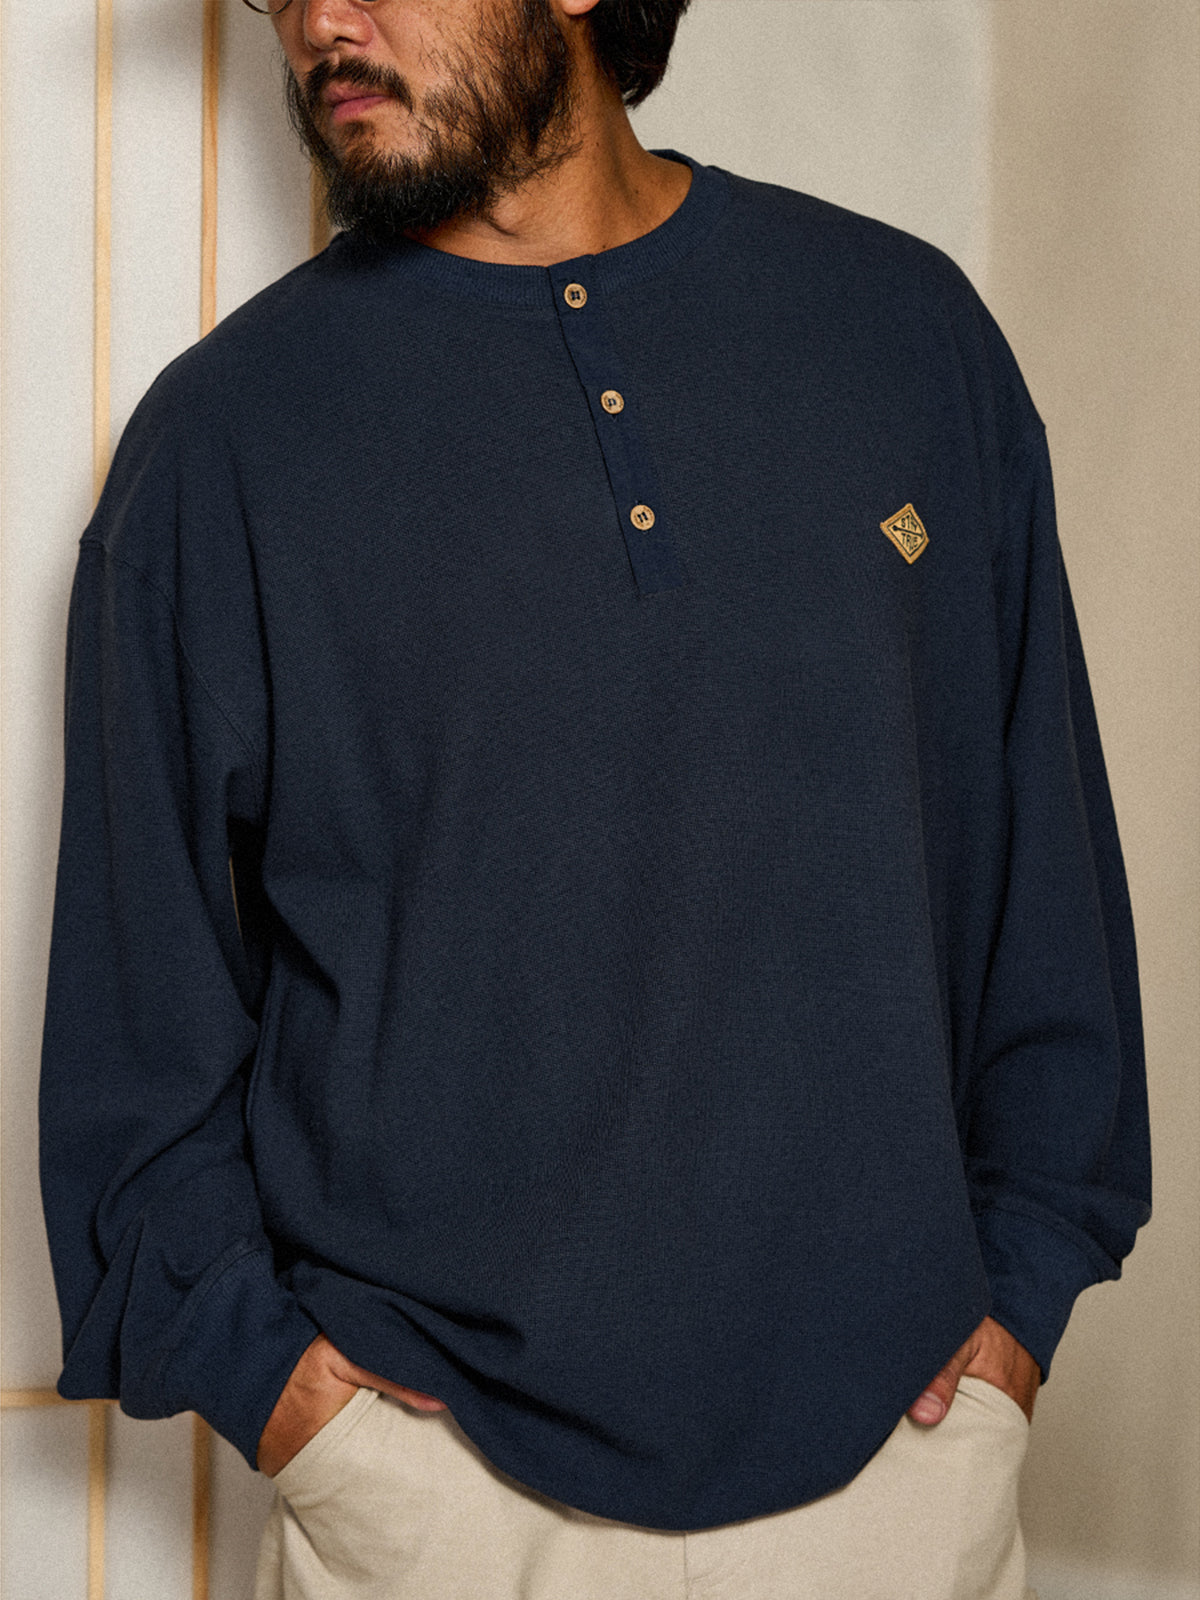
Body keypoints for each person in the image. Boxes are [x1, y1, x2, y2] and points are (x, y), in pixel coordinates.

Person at [38, 0, 1152, 1595]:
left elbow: (1044, 887)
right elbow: (135, 1033)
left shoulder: (904, 339)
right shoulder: (222, 445)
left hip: (898, 1486)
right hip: (436, 1511)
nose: (320, 24)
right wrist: (297, 1411)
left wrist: (1023, 1303)